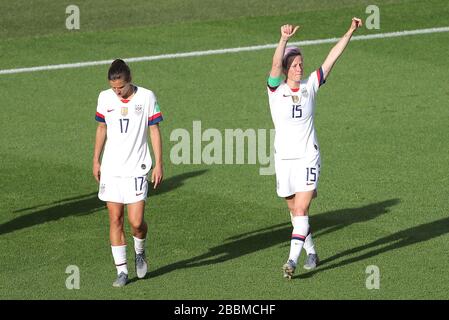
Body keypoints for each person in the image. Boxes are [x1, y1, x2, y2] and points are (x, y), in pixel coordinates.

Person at [267, 18, 362, 279]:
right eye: (295, 65)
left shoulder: (311, 86)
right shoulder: (275, 91)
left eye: (301, 64)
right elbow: (275, 64)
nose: (300, 68)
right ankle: (311, 252)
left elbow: (332, 57)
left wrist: (350, 32)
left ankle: (291, 261)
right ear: (286, 69)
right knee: (296, 211)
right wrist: (283, 39)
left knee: (300, 210)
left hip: (309, 156)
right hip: (284, 160)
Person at [93, 59, 163, 287]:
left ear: (129, 79)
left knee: (136, 222)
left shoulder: (147, 97)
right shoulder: (104, 98)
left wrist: (159, 163)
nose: (117, 91)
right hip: (112, 169)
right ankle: (122, 270)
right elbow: (101, 128)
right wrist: (96, 160)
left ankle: (140, 251)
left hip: (136, 168)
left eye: (120, 87)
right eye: (114, 87)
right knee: (115, 218)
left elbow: (154, 130)